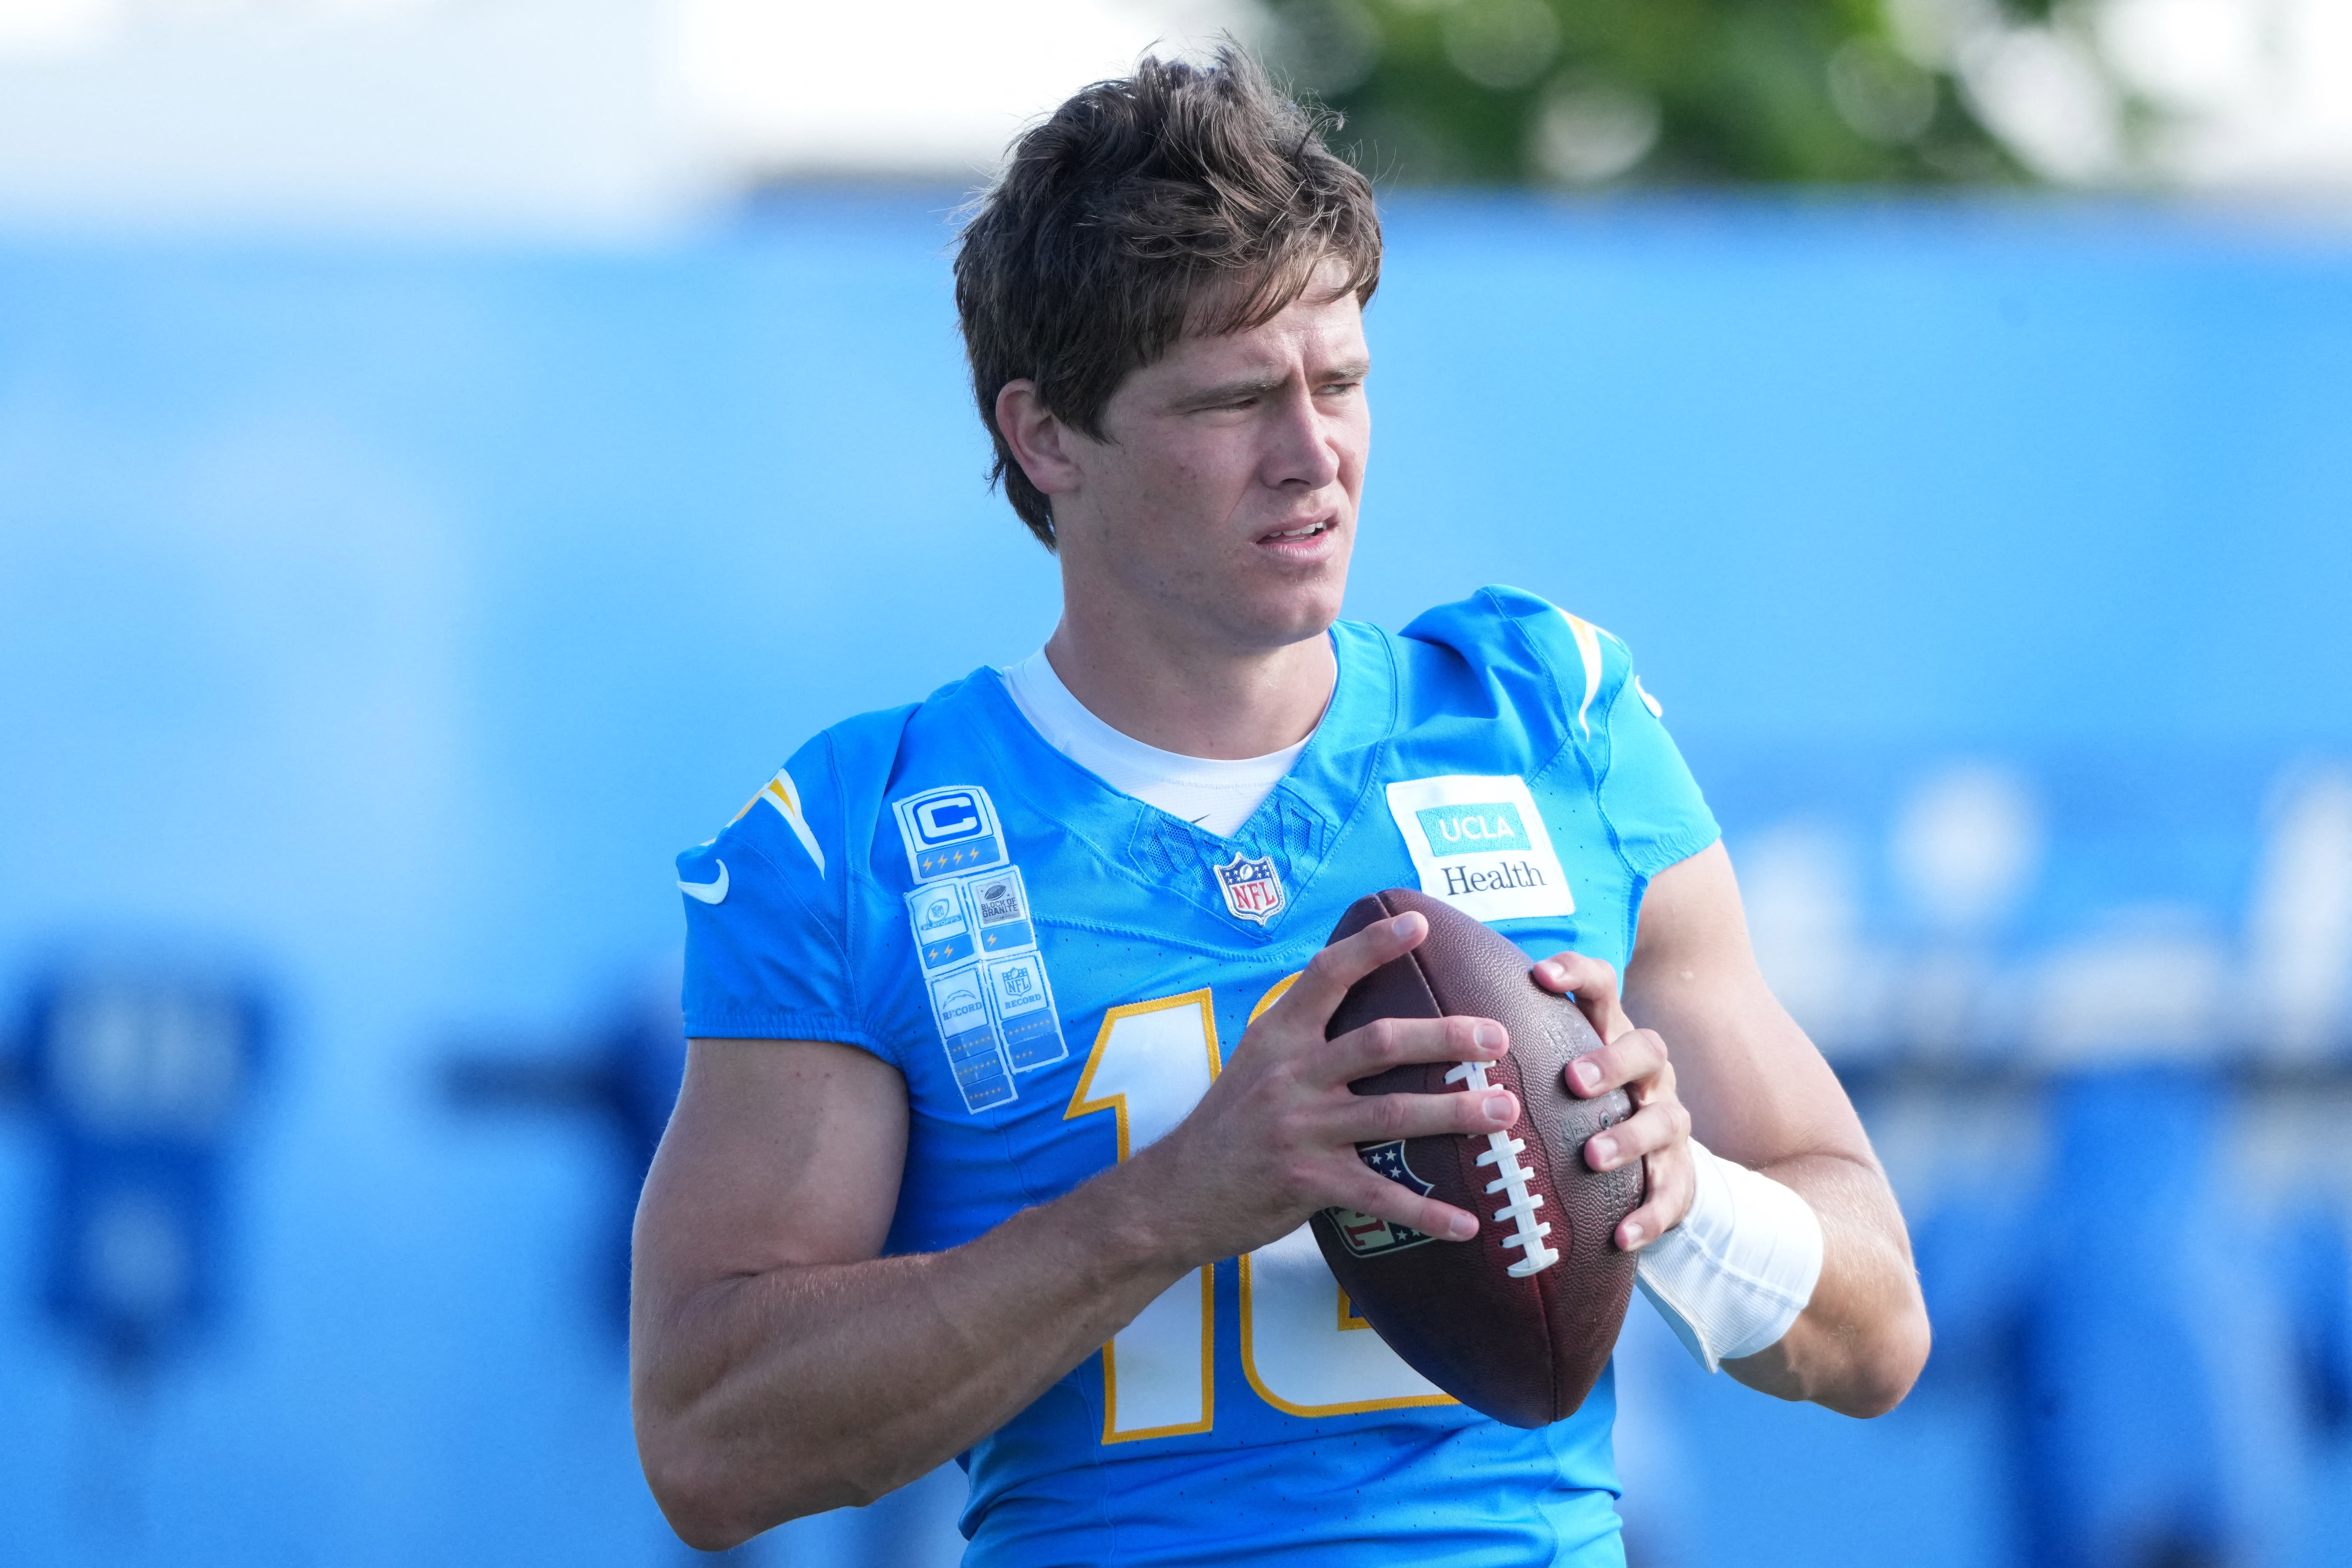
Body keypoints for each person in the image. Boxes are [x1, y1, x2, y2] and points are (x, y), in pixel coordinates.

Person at [630, 46, 1929, 1567]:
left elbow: (1874, 1333)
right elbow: (708, 1443)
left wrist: (1679, 1193)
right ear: (1046, 434)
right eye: (1238, 397)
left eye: (1340, 381)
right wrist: (1169, 1202)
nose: (1313, 456)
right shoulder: (862, 834)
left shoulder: (1541, 718)